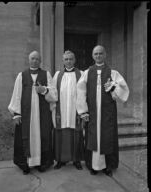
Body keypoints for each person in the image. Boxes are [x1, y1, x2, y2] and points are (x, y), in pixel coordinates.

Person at [76, 45, 129, 177]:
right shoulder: (87, 73)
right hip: (92, 113)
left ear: (105, 55)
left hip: (107, 113)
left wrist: (113, 88)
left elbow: (123, 91)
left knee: (107, 137)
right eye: (96, 54)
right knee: (93, 138)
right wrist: (83, 111)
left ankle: (108, 166)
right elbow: (80, 92)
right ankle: (94, 166)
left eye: (100, 53)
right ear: (92, 56)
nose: (98, 56)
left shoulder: (113, 73)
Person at [8, 51, 57, 175]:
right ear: (29, 60)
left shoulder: (46, 74)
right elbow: (17, 94)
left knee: (43, 137)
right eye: (32, 58)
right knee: (26, 138)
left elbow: (54, 94)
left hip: (42, 115)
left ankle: (42, 163)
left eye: (37, 59)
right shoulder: (22, 75)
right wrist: (16, 114)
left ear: (40, 61)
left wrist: (44, 90)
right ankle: (26, 165)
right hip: (26, 116)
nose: (35, 60)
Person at [51, 50, 84, 170]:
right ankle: (60, 160)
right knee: (61, 135)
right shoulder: (57, 75)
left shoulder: (81, 74)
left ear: (74, 60)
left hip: (75, 111)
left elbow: (84, 93)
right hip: (62, 112)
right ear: (63, 61)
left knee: (77, 135)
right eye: (66, 59)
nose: (68, 61)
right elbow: (53, 92)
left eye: (71, 59)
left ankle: (77, 160)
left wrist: (84, 110)